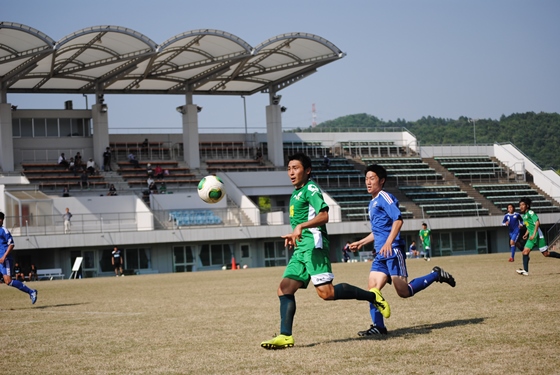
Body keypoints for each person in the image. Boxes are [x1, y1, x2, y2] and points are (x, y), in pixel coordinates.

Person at [260, 153, 388, 350]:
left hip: (314, 245)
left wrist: (301, 227)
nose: (291, 172)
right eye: (289, 168)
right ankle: (285, 336)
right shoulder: (296, 193)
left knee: (326, 293)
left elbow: (324, 215)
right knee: (284, 288)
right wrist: (295, 233)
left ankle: (373, 297)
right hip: (301, 249)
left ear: (307, 170)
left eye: (296, 168)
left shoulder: (311, 189)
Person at [349, 164, 455, 336]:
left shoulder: (385, 197)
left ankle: (436, 274)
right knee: (372, 290)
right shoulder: (373, 201)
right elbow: (378, 231)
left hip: (392, 251)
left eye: (372, 178)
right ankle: (379, 327)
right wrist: (361, 242)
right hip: (380, 253)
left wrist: (389, 243)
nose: (368, 182)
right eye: (366, 178)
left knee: (404, 292)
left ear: (381, 181)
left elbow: (398, 220)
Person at [516, 197, 560, 276]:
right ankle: (525, 271)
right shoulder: (524, 216)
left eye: (523, 204)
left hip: (538, 236)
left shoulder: (531, 212)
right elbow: (529, 227)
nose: (521, 206)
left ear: (527, 205)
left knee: (546, 254)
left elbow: (537, 223)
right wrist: (526, 234)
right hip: (531, 237)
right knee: (525, 252)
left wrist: (533, 234)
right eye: (520, 205)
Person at [0, 212, 37, 304]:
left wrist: (4, 256)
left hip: (5, 260)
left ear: (2, 220)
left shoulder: (4, 231)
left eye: (0, 219)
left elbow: (12, 244)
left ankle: (31, 292)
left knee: (8, 281)